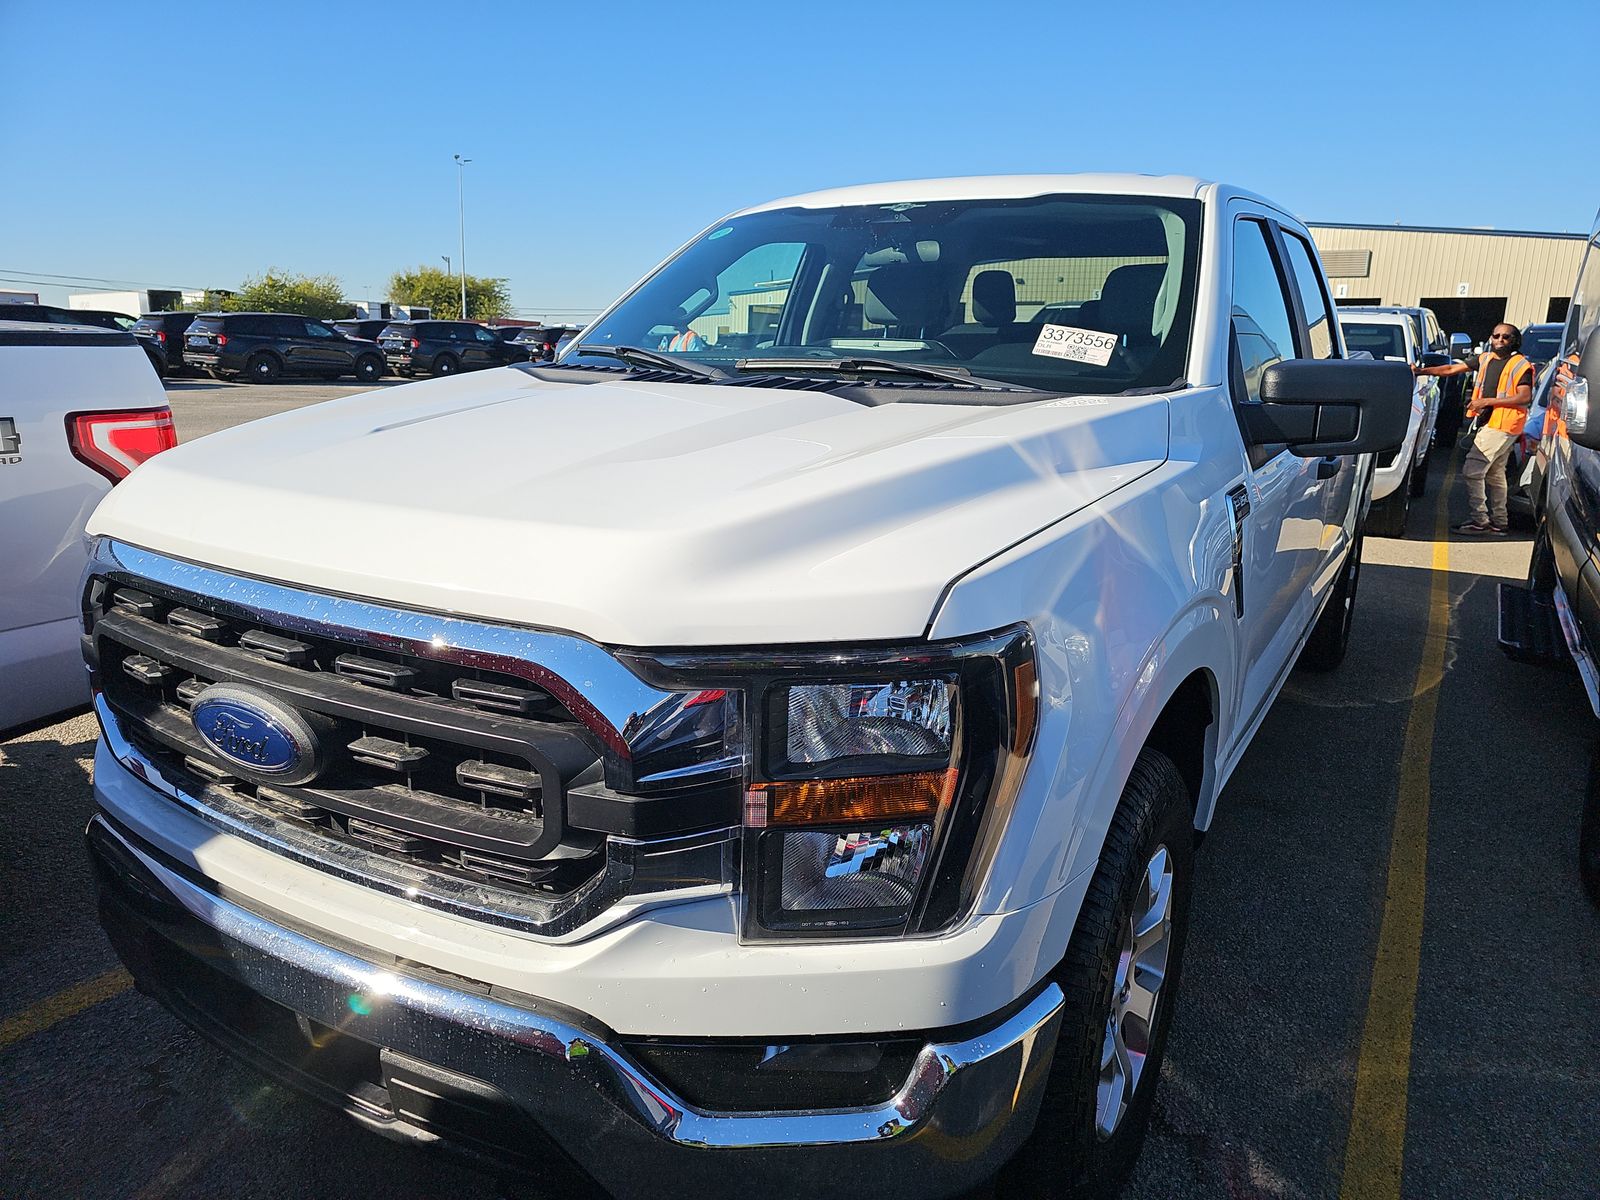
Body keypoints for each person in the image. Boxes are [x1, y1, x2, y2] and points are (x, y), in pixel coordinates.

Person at [1416, 322, 1534, 534]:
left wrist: (1485, 402)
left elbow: (1524, 397)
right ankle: (1500, 522)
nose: (1500, 340)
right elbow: (1452, 368)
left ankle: (1480, 521)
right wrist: (1421, 371)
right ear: (1490, 338)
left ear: (1514, 341)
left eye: (1506, 337)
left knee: (1472, 471)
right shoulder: (1485, 359)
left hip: (1503, 424)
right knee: (1496, 474)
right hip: (1493, 423)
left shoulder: (1520, 365)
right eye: (1496, 336)